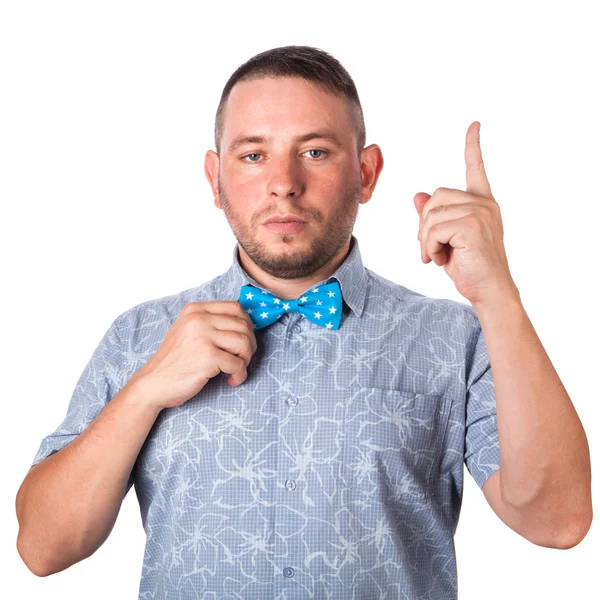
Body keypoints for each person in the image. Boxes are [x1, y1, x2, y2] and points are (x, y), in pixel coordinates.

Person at [16, 45, 592, 599]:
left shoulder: (456, 338)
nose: (284, 181)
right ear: (215, 179)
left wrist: (498, 297)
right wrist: (145, 392)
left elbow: (557, 521)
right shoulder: (141, 336)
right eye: (253, 154)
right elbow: (44, 548)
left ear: (367, 173)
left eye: (315, 151)